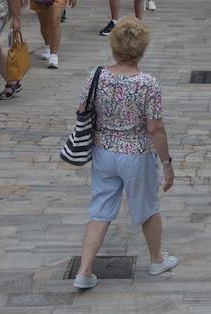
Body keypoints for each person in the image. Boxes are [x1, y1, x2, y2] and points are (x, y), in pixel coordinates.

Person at [71, 17, 178, 290]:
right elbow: (155, 128)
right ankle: (156, 259)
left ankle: (84, 271)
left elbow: (82, 109)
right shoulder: (147, 84)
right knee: (147, 208)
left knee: (100, 210)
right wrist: (166, 163)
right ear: (142, 48)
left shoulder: (97, 76)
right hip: (136, 154)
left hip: (104, 151)